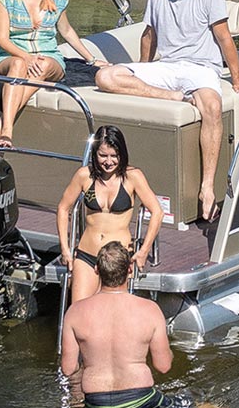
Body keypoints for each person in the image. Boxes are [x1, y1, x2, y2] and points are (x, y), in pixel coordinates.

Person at [95, 0, 239, 220]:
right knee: (105, 76)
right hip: (167, 68)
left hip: (201, 67)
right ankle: (170, 96)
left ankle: (206, 188)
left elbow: (224, 38)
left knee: (212, 107)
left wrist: (237, 80)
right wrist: (142, 69)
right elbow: (149, 34)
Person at [0, 0, 106, 148]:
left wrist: (92, 59)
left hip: (47, 55)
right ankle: (8, 129)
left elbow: (66, 30)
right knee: (18, 65)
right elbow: (2, 39)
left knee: (42, 64)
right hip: (11, 54)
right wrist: (25, 57)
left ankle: (2, 123)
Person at [60, 241, 184, 408]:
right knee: (189, 405)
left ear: (96, 270)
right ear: (129, 270)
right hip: (140, 399)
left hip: (97, 402)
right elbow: (163, 366)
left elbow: (68, 368)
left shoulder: (74, 312)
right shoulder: (150, 310)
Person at [56, 125, 163, 303]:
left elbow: (157, 212)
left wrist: (144, 251)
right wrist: (65, 249)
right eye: (103, 155)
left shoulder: (132, 176)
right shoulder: (85, 175)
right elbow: (63, 208)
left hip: (117, 259)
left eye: (114, 156)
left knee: (111, 313)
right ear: (95, 153)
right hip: (86, 255)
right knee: (79, 309)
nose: (108, 161)